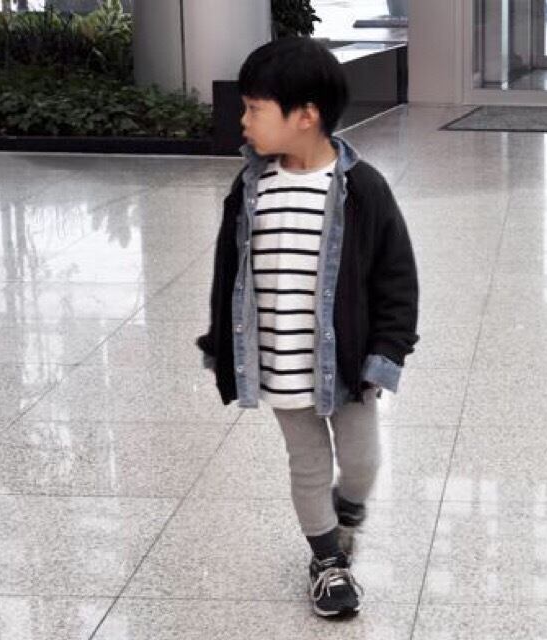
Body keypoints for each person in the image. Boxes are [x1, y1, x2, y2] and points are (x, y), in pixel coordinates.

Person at [196, 36, 419, 619]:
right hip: (280, 359)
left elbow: (397, 277)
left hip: (349, 362)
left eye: (254, 109)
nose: (243, 121)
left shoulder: (362, 189)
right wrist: (220, 343)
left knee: (363, 461)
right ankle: (327, 562)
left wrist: (387, 351)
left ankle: (348, 509)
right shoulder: (250, 188)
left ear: (305, 116)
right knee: (308, 461)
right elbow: (228, 271)